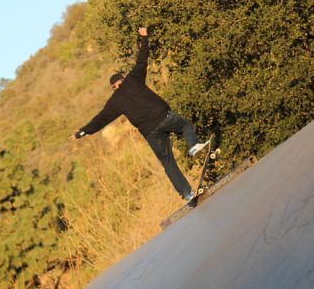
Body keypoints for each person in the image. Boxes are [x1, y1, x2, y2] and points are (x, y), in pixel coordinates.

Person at [68, 27, 210, 200]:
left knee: (167, 162)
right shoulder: (133, 79)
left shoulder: (114, 101)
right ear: (123, 79)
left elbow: (101, 119)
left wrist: (82, 132)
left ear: (114, 87)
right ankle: (193, 146)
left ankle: (187, 194)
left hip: (150, 132)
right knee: (185, 125)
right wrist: (144, 38)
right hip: (163, 117)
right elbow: (142, 60)